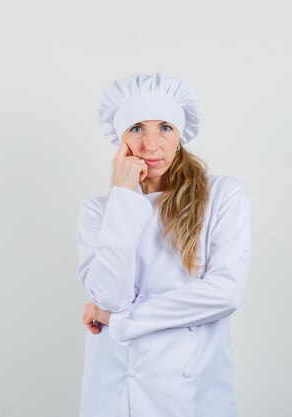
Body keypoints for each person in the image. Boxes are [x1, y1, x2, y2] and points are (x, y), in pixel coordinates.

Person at [75, 72, 253, 417]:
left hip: (191, 394)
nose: (151, 145)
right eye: (137, 129)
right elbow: (110, 296)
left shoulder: (222, 195)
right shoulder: (99, 210)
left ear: (180, 136)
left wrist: (121, 320)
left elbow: (225, 292)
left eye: (165, 128)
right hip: (114, 393)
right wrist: (124, 195)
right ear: (121, 140)